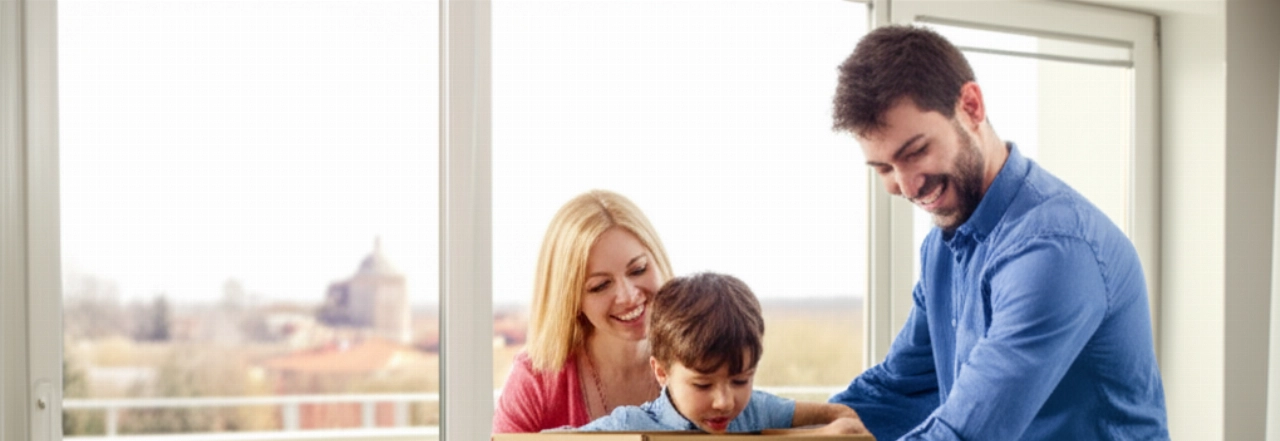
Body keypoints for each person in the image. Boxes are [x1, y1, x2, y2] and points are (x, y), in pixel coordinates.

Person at [826, 25, 1169, 440]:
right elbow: (897, 389)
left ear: (971, 106)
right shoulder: (942, 247)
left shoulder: (1054, 250)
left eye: (915, 152)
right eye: (883, 168)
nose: (907, 185)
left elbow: (964, 434)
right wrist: (754, 423)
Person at [574, 272, 867, 435]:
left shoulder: (756, 410)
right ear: (662, 372)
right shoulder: (629, 426)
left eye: (741, 381)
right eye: (702, 384)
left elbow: (837, 415)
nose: (725, 402)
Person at [493, 189, 675, 433]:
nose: (628, 296)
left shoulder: (708, 354)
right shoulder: (537, 380)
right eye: (600, 286)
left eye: (638, 269)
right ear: (572, 299)